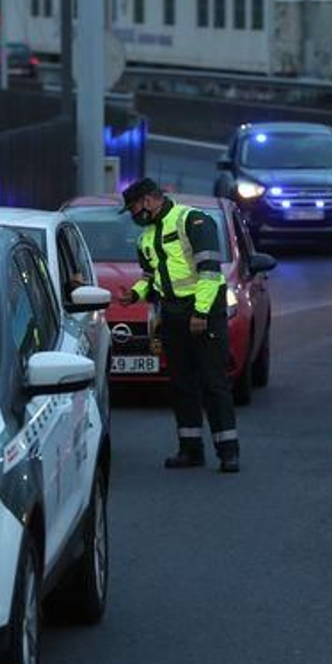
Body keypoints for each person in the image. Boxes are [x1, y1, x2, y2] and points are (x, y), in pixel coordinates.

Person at [116, 178, 240, 473]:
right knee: (182, 384)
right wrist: (134, 294)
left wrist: (200, 312)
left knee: (213, 382)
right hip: (172, 314)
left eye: (133, 208)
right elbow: (151, 277)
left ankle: (228, 452)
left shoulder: (193, 220)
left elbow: (209, 272)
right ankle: (190, 450)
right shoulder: (146, 238)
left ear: (148, 200)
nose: (133, 215)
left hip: (203, 311)